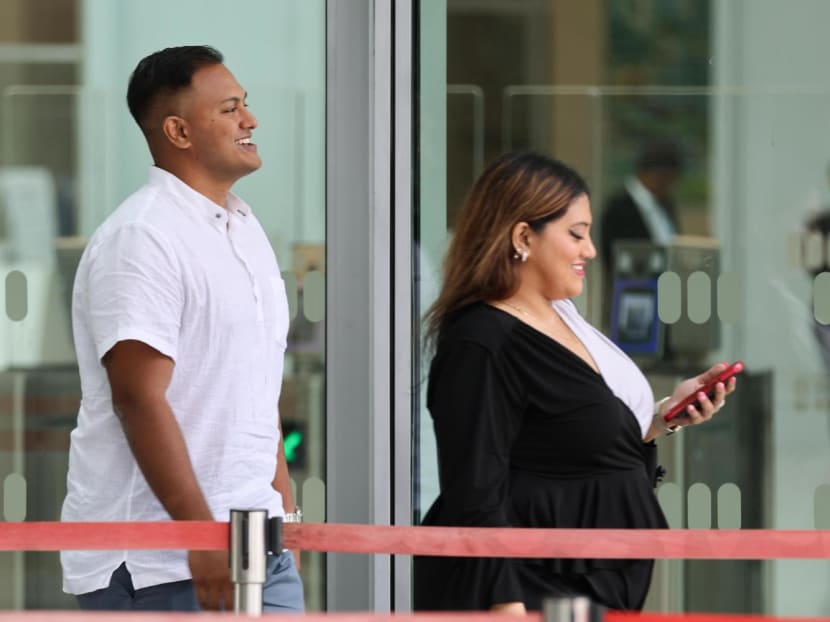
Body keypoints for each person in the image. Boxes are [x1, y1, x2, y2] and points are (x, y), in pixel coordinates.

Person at [413, 151, 737, 613]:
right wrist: (506, 604)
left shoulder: (562, 317)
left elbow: (569, 442)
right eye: (576, 234)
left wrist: (665, 417)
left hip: (585, 585)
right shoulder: (482, 341)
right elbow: (475, 491)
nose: (590, 250)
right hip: (531, 591)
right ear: (524, 236)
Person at [60, 45, 304, 612]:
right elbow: (138, 397)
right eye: (229, 108)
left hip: (258, 545)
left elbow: (255, 393)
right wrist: (197, 537)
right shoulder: (141, 237)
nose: (251, 120)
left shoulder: (243, 227)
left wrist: (286, 520)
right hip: (161, 561)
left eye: (245, 105)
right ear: (179, 131)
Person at [600, 139, 683, 276]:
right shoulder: (619, 208)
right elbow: (614, 259)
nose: (668, 185)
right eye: (665, 178)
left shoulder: (666, 204)